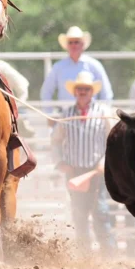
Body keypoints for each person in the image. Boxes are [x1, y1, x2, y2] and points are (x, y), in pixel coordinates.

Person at [51, 71, 116, 258]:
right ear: (75, 91)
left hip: (97, 171)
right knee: (79, 216)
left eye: (86, 89)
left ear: (91, 92)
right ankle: (85, 255)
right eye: (79, 89)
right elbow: (55, 141)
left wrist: (105, 161)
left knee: (100, 213)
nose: (82, 92)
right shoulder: (67, 114)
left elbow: (112, 140)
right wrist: (60, 162)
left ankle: (108, 255)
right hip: (74, 171)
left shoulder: (103, 112)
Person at [40, 26, 113, 125]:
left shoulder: (94, 65)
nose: (73, 45)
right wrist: (50, 114)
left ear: (82, 44)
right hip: (65, 117)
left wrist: (102, 114)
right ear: (67, 45)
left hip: (91, 116)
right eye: (71, 42)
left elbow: (106, 93)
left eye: (76, 42)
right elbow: (46, 92)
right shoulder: (58, 67)